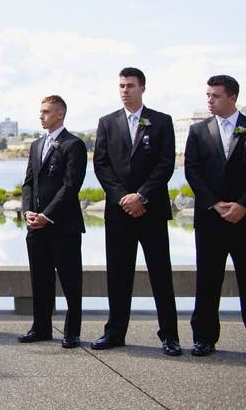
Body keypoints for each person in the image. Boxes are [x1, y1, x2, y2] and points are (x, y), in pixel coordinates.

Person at [91, 68, 181, 356]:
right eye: (121, 85)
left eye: (130, 85)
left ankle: (170, 336)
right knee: (118, 275)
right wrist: (123, 198)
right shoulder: (107, 123)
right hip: (119, 213)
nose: (125, 90)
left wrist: (141, 196)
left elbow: (165, 164)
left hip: (151, 211)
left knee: (160, 275)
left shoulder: (161, 121)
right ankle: (115, 333)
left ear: (142, 88)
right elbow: (101, 165)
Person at [18, 95, 87, 349]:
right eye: (40, 111)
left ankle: (72, 332)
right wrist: (28, 212)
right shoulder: (36, 145)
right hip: (35, 226)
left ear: (60, 114)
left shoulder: (74, 144)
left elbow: (71, 186)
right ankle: (41, 328)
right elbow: (28, 182)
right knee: (40, 278)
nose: (41, 115)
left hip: (63, 226)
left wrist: (48, 215)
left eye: (46, 111)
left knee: (70, 280)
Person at [185, 74, 246, 357]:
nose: (209, 100)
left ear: (232, 97)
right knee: (208, 279)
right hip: (210, 218)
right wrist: (214, 203)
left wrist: (242, 205)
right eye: (208, 95)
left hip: (244, 218)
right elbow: (192, 172)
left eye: (216, 96)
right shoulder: (198, 131)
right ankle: (204, 338)